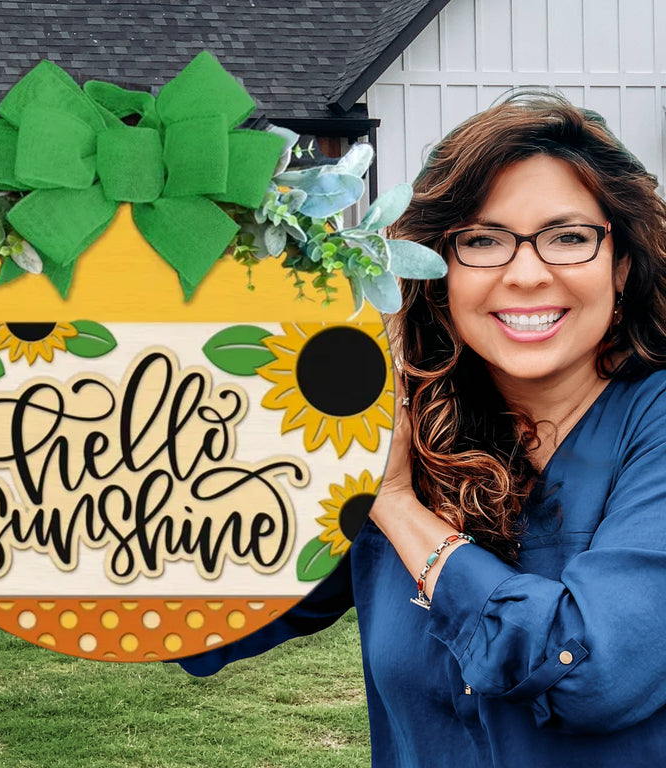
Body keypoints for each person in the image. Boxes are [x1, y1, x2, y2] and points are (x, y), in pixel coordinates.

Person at [178, 92, 666, 766]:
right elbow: (211, 617)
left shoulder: (652, 427)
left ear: (621, 264)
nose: (527, 274)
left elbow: (592, 674)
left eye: (568, 237)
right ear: (439, 274)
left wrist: (399, 507)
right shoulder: (404, 424)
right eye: (483, 240)